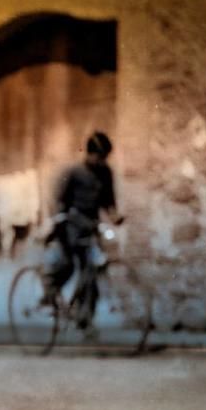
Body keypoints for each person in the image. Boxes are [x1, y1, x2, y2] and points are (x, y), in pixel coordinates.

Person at [41, 131, 123, 329]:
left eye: (105, 157)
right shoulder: (74, 172)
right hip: (70, 226)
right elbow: (58, 200)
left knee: (92, 271)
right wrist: (60, 217)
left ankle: (85, 317)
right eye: (99, 156)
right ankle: (49, 294)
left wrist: (114, 216)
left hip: (91, 227)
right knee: (68, 265)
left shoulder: (106, 173)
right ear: (89, 153)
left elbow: (109, 202)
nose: (102, 161)